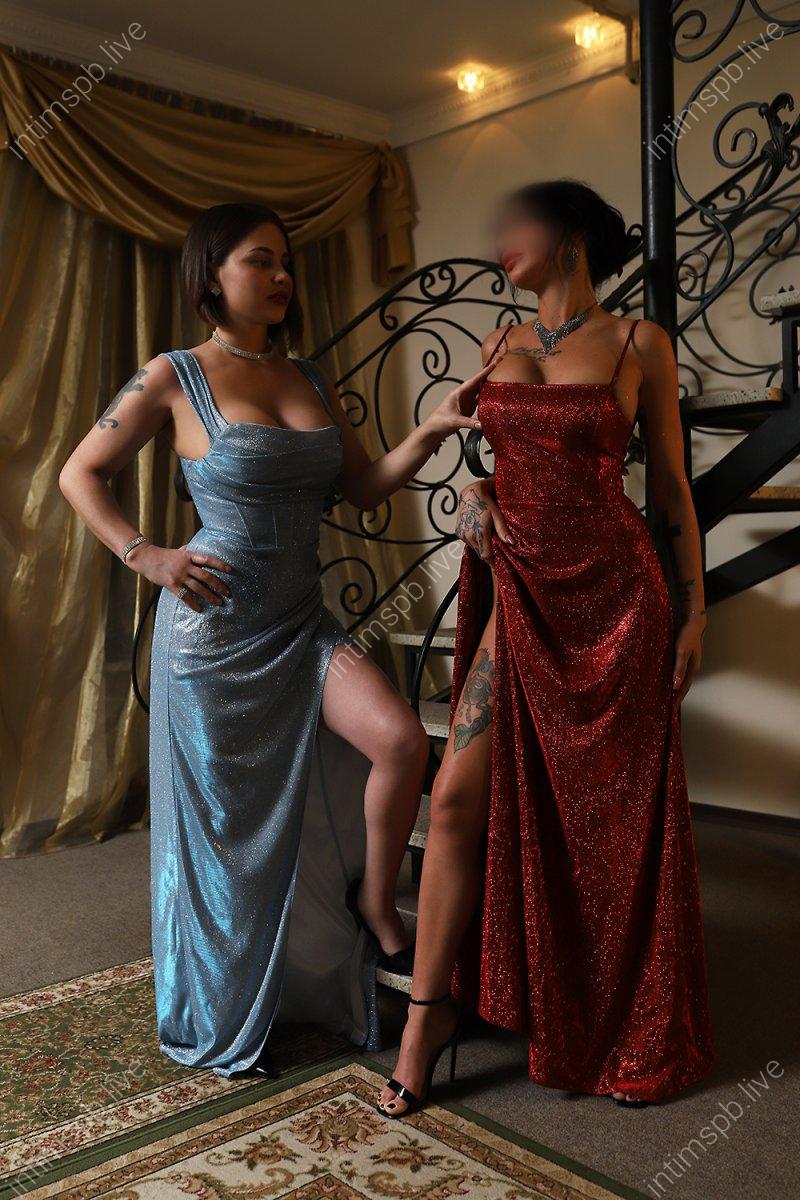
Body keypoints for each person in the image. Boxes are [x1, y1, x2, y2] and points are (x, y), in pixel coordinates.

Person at [58, 201, 496, 1077]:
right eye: (260, 260)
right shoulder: (173, 374)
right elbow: (80, 472)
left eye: (285, 261)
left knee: (400, 740)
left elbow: (364, 487)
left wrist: (432, 429)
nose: (282, 275)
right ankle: (229, 1006)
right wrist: (147, 555)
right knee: (228, 836)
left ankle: (377, 905)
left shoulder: (309, 376)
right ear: (212, 274)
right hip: (211, 639)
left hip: (302, 624)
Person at [377, 179, 715, 1116]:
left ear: (570, 235)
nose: (500, 240)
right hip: (521, 592)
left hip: (619, 600)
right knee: (454, 796)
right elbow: (494, 458)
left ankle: (622, 1024)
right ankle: (426, 1022)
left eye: (517, 225)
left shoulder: (641, 342)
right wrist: (477, 493)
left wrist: (694, 613)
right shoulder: (499, 343)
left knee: (613, 827)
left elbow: (672, 490)